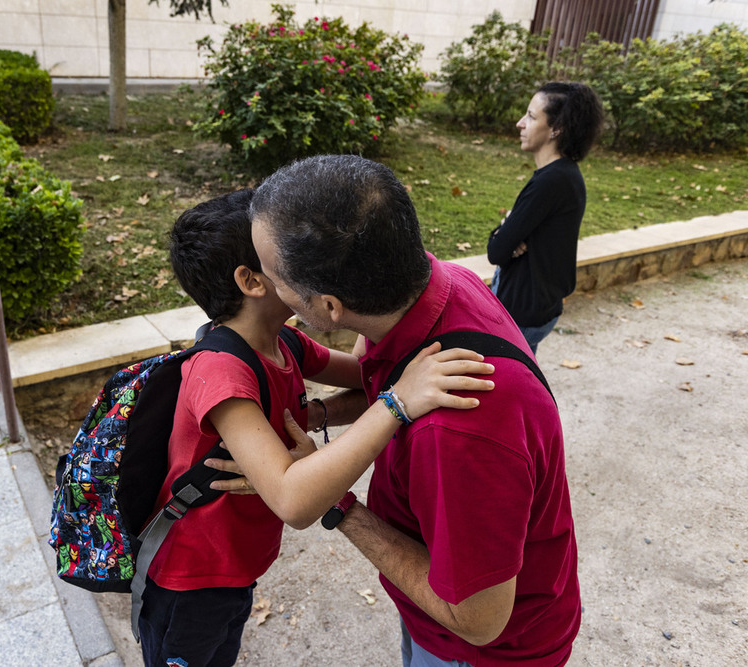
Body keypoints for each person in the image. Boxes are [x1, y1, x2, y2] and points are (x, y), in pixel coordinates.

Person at [139, 188, 495, 667]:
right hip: (193, 576)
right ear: (251, 280)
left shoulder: (282, 341)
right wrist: (398, 403)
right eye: (281, 252)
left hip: (237, 565)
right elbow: (293, 499)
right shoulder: (220, 371)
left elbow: (371, 373)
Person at [249, 154, 579, 666]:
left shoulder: (459, 429)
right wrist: (313, 415)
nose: (272, 290)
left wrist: (340, 505)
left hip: (480, 652)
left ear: (330, 307)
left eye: (275, 277)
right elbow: (382, 382)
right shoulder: (442, 283)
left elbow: (479, 620)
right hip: (436, 612)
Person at [487, 82, 605, 353]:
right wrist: (508, 235)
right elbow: (506, 242)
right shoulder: (565, 174)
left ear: (557, 128)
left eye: (530, 116)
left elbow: (496, 250)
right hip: (539, 306)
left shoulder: (551, 182)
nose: (520, 123)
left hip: (521, 312)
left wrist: (507, 235)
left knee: (505, 389)